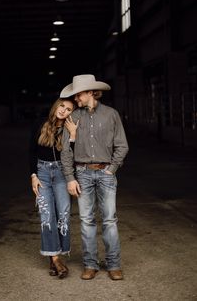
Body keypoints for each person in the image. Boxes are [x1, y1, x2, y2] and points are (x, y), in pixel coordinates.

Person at [60, 74, 129, 280]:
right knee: (86, 220)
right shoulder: (73, 117)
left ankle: (114, 265)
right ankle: (90, 264)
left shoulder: (111, 114)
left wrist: (112, 168)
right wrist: (70, 177)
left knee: (109, 220)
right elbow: (65, 150)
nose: (76, 99)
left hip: (106, 172)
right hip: (82, 174)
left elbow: (122, 145)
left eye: (78, 94)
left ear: (91, 92)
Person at [29, 98, 78, 279]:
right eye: (62, 106)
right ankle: (56, 259)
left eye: (69, 109)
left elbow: (72, 156)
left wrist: (73, 136)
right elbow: (31, 151)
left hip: (61, 173)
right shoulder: (40, 123)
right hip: (42, 173)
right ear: (56, 106)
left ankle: (55, 256)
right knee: (46, 215)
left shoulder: (69, 128)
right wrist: (33, 175)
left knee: (63, 213)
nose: (64, 111)